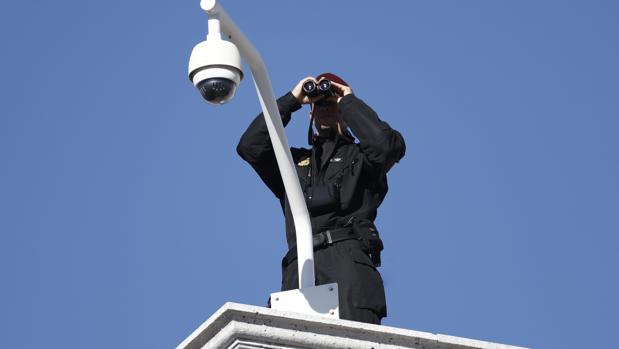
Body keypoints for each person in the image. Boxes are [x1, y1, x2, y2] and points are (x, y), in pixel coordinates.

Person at [237, 73, 405, 324]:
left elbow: (387, 147)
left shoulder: (362, 160)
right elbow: (250, 146)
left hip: (347, 263)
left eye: (332, 103)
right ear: (311, 114)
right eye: (320, 104)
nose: (326, 108)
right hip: (300, 266)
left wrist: (348, 101)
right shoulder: (293, 164)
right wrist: (292, 100)